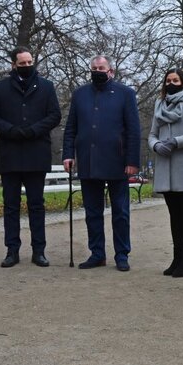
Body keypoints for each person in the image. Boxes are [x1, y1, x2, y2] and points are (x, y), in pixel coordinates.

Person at [62, 55, 140, 272]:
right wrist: (68, 154)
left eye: (101, 68)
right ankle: (97, 254)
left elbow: (133, 130)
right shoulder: (80, 94)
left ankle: (122, 254)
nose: (97, 71)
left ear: (110, 71)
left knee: (120, 212)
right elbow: (71, 128)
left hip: (117, 161)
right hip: (88, 160)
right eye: (94, 68)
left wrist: (132, 160)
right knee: (92, 212)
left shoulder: (125, 94)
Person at [0, 46, 62, 268]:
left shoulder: (46, 86)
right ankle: (12, 250)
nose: (27, 66)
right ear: (14, 64)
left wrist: (34, 130)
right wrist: (10, 130)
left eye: (30, 62)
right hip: (10, 154)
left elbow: (54, 115)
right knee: (11, 205)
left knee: (36, 205)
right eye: (22, 63)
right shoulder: (1, 88)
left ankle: (39, 250)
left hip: (36, 152)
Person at [148, 68, 183, 277]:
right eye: (168, 80)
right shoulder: (159, 104)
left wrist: (176, 142)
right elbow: (152, 134)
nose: (171, 83)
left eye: (175, 80)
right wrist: (156, 145)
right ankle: (177, 257)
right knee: (173, 215)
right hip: (164, 164)